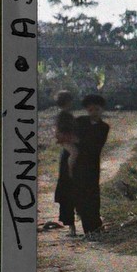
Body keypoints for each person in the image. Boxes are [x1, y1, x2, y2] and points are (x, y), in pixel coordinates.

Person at [71, 94, 110, 240]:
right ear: (87, 110)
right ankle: (88, 228)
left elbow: (95, 146)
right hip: (78, 164)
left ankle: (96, 225)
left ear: (101, 110)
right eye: (91, 109)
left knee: (93, 193)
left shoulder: (104, 127)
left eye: (97, 109)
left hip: (92, 164)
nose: (94, 112)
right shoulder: (79, 122)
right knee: (81, 195)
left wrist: (81, 143)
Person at [53, 91, 80, 236]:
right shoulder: (64, 117)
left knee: (69, 191)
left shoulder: (65, 116)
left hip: (69, 153)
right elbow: (61, 135)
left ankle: (72, 228)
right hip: (69, 153)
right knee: (69, 190)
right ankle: (72, 228)